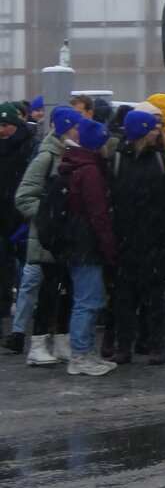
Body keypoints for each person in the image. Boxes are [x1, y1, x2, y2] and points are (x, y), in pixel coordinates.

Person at [4, 106, 83, 364]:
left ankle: (62, 340)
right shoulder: (46, 157)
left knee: (67, 290)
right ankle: (37, 345)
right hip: (48, 237)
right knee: (49, 290)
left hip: (67, 236)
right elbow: (23, 196)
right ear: (63, 130)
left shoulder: (73, 155)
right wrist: (50, 214)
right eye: (74, 128)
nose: (79, 132)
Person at [108, 110, 165, 366]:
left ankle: (157, 346)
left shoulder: (162, 158)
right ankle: (123, 346)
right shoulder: (117, 160)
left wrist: (164, 228)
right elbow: (111, 198)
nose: (156, 131)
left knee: (154, 297)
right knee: (124, 298)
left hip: (153, 239)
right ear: (139, 131)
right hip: (126, 239)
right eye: (152, 128)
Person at [61, 118, 117, 376]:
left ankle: (85, 351)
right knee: (88, 301)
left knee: (87, 299)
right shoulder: (91, 170)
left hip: (76, 241)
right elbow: (98, 214)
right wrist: (108, 246)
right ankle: (80, 354)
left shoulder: (76, 164)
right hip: (87, 244)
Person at [0, 100, 35, 338]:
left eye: (5, 124)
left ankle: (25, 326)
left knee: (30, 274)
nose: (2, 129)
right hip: (1, 219)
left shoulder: (29, 146)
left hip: (22, 219)